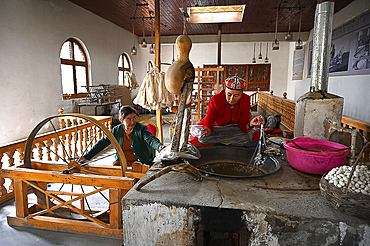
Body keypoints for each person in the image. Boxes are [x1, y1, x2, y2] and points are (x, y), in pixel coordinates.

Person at [189, 75, 264, 147]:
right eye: (229, 94)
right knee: (201, 138)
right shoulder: (215, 99)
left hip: (234, 129)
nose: (232, 99)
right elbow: (209, 119)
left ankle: (223, 141)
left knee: (248, 137)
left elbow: (243, 124)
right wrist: (208, 129)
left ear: (241, 94)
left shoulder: (245, 100)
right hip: (217, 127)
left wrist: (250, 124)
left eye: (236, 96)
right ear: (225, 91)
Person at [81, 105, 164, 166]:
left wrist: (159, 147)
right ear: (121, 120)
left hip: (140, 162)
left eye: (134, 117)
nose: (133, 121)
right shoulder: (117, 130)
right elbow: (102, 143)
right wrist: (86, 157)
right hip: (122, 162)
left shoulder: (141, 129)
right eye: (129, 119)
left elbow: (151, 139)